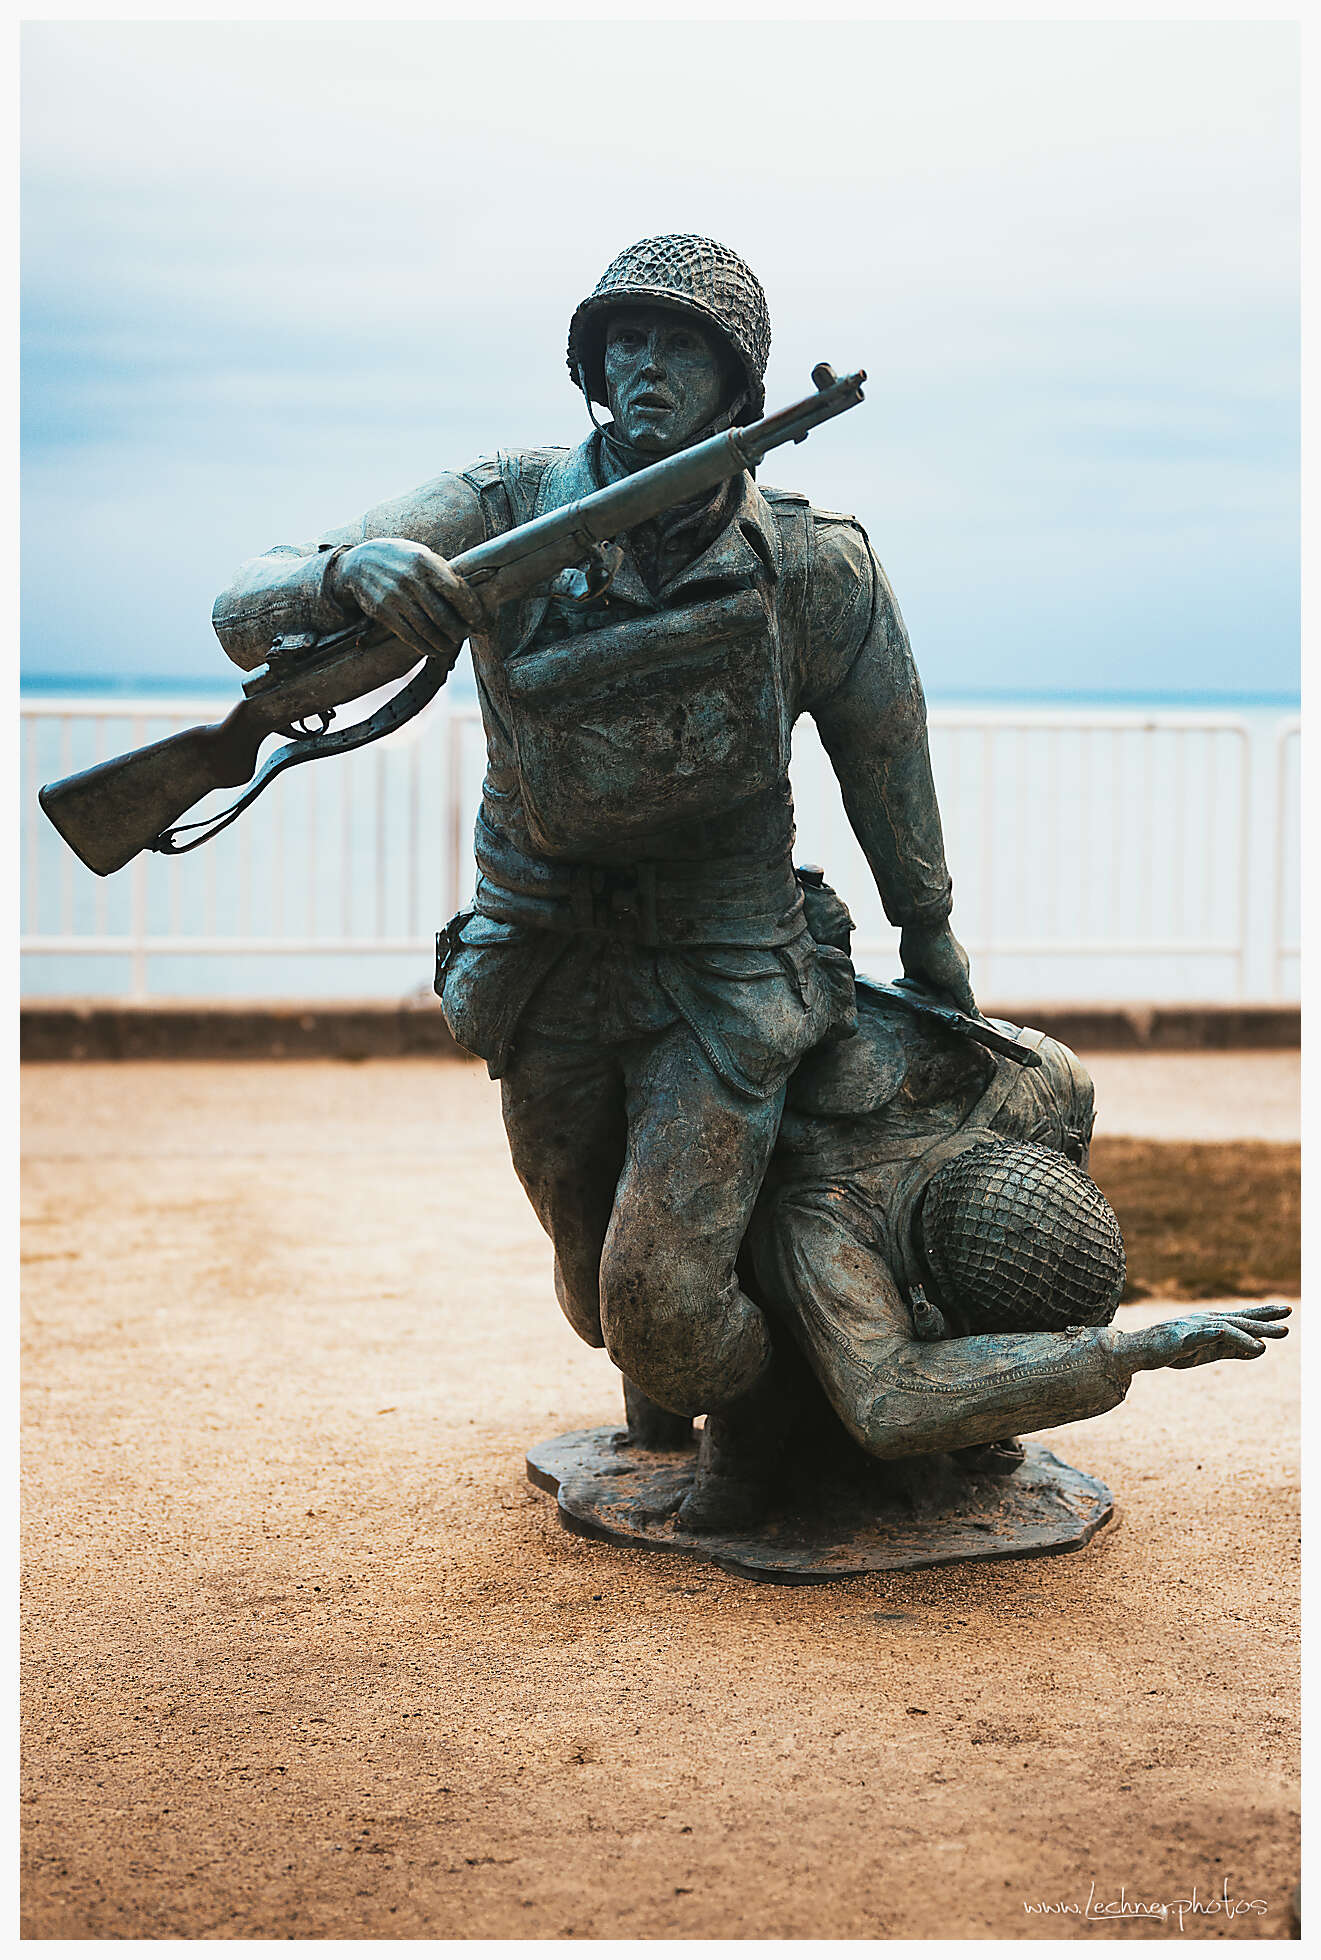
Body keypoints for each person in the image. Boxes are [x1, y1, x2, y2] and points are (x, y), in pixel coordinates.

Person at [211, 234, 974, 1495]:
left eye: (682, 346)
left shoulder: (815, 558)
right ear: (590, 362)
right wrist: (348, 570)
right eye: (627, 341)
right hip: (544, 953)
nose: (647, 369)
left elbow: (885, 754)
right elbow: (245, 607)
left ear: (742, 387)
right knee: (589, 1291)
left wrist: (929, 930)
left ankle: (783, 1415)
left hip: (724, 963)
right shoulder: (503, 504)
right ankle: (663, 1395)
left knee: (660, 1299)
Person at [681, 873, 1288, 1528]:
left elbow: (1049, 1228)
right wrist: (1123, 1352)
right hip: (725, 1146)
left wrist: (1079, 1354)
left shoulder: (1043, 1084)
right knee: (690, 1323)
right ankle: (734, 1440)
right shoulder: (821, 1219)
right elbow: (885, 1399)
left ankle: (975, 1420)